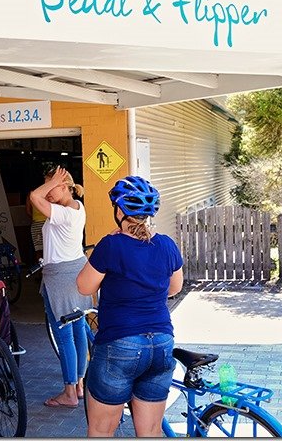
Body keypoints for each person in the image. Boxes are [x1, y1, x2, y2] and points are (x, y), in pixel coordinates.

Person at [76, 176, 184, 437]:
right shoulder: (167, 244)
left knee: (101, 432)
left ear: (120, 210)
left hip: (120, 344)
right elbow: (174, 288)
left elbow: (84, 286)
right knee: (150, 433)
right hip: (160, 344)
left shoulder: (111, 245)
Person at [29, 166, 91, 409]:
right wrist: (54, 182)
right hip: (75, 273)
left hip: (60, 279)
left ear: (64, 185)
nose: (47, 192)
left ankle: (69, 392)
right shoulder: (76, 207)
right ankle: (79, 385)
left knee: (65, 336)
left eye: (53, 186)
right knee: (78, 331)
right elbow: (40, 197)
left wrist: (53, 180)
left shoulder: (64, 213)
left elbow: (34, 196)